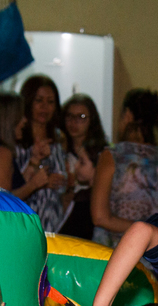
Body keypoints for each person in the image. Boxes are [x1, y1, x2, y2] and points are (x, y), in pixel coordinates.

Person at [90, 89, 158, 246]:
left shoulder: (112, 156)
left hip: (113, 252)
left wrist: (140, 230)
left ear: (128, 115)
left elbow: (99, 217)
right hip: (149, 255)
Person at [17, 75, 68, 232]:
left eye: (50, 102)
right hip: (25, 220)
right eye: (39, 100)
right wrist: (40, 180)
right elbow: (12, 185)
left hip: (53, 220)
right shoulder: (17, 138)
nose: (45, 107)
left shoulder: (58, 137)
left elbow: (63, 183)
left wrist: (62, 181)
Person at [58, 94, 108, 240]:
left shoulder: (102, 153)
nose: (74, 122)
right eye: (69, 116)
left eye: (81, 117)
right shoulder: (58, 151)